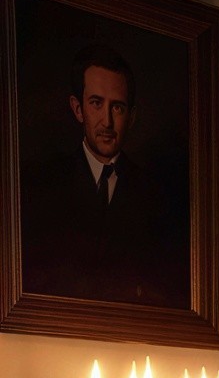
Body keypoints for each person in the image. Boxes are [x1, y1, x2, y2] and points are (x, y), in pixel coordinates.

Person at [18, 43, 186, 307]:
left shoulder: (157, 197)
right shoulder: (41, 188)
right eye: (96, 103)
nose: (107, 121)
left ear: (131, 116)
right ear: (78, 108)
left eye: (117, 107)